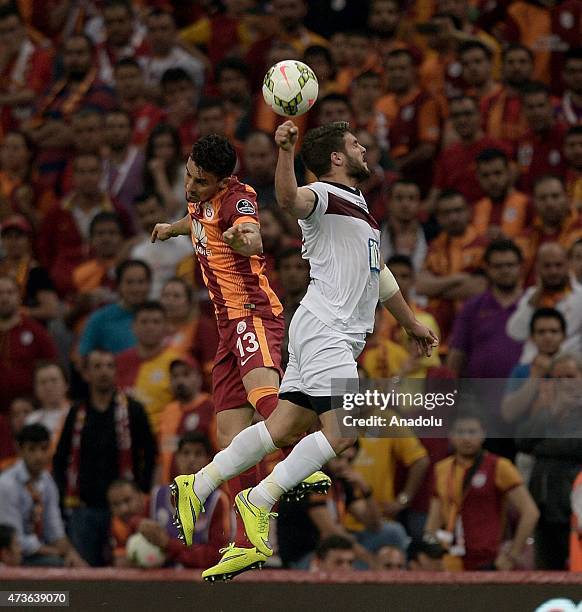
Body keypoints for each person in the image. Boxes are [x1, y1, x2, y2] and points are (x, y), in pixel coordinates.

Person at [167, 120, 438, 580]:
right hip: (327, 331)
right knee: (343, 432)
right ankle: (259, 499)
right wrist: (286, 151)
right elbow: (291, 199)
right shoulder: (325, 195)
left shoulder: (359, 209)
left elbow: (380, 273)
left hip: (323, 330)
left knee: (283, 427)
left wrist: (410, 322)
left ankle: (200, 482)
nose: (363, 148)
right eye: (355, 144)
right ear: (337, 158)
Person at [151, 134, 326, 505]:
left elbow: (252, 236)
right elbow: (197, 220)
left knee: (263, 394)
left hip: (251, 313)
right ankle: (247, 534)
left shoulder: (237, 199)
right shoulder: (199, 198)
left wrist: (243, 239)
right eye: (188, 176)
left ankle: (305, 464)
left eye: (200, 181)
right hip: (227, 327)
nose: (190, 186)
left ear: (223, 181)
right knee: (229, 438)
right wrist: (172, 228)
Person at [53, 349, 156, 566]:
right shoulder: (76, 412)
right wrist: (65, 495)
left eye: (109, 366)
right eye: (97, 367)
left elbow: (150, 452)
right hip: (85, 508)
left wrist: (142, 491)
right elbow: (61, 458)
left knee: (126, 571)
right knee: (85, 574)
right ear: (87, 373)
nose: (104, 372)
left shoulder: (133, 410)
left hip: (124, 509)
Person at [425, 409, 539, 570]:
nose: (466, 438)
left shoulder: (499, 466)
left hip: (488, 560)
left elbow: (531, 512)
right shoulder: (441, 469)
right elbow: (433, 520)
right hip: (450, 559)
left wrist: (512, 555)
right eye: (460, 432)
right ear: (450, 435)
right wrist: (432, 550)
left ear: (483, 434)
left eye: (472, 432)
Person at [516, 353, 582, 569]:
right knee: (546, 576)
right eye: (557, 378)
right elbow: (522, 440)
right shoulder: (546, 411)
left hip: (576, 510)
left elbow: (575, 447)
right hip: (544, 508)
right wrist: (549, 411)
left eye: (570, 377)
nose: (564, 383)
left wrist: (541, 448)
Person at [143, 432, 235, 569]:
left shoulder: (218, 501)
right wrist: (140, 524)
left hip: (200, 583)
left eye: (198, 454)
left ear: (208, 460)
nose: (191, 459)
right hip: (159, 581)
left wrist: (168, 545)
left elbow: (216, 556)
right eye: (185, 453)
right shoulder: (157, 496)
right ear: (177, 458)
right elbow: (135, 525)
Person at [0, 424, 86, 567]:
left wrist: (72, 555)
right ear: (20, 450)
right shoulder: (6, 485)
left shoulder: (47, 482)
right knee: (58, 564)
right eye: (32, 450)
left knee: (75, 562)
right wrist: (55, 552)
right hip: (9, 554)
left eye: (44, 449)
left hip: (37, 551)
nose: (39, 456)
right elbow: (11, 540)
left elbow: (55, 530)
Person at [447, 239, 524, 378]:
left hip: (525, 393)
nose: (505, 270)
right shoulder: (472, 306)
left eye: (510, 265)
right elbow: (457, 353)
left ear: (520, 266)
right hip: (479, 394)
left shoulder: (531, 305)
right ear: (487, 268)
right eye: (498, 266)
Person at [506, 242, 582, 363]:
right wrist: (535, 299)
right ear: (537, 267)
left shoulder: (580, 295)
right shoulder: (531, 295)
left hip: (568, 371)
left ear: (568, 264)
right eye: (547, 266)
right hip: (532, 368)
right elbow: (516, 333)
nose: (553, 271)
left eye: (558, 265)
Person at [115, 301, 183, 432]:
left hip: (163, 439)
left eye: (156, 322)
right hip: (123, 438)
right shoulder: (118, 362)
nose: (150, 327)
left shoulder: (179, 362)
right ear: (133, 326)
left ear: (166, 327)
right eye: (144, 322)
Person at [0, 275, 57, 412]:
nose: (5, 298)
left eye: (10, 292)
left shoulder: (36, 331)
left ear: (19, 297)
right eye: (0, 293)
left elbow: (52, 366)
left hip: (31, 409)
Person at [502, 308, 567, 425]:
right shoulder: (520, 371)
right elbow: (508, 414)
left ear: (564, 336)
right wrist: (535, 377)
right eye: (541, 332)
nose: (548, 336)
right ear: (532, 337)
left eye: (554, 331)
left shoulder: (577, 369)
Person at [157, 357, 215, 485]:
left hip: (204, 490)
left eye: (186, 374)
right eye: (175, 376)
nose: (180, 380)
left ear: (199, 378)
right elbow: (161, 458)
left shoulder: (211, 407)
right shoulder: (167, 412)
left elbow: (221, 451)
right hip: (171, 491)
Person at [78, 259, 151, 357]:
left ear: (149, 285)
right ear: (119, 285)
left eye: (141, 282)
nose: (136, 288)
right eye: (129, 282)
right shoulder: (100, 319)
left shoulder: (161, 316)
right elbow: (84, 356)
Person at [129, 193, 192, 299]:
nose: (148, 219)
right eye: (142, 215)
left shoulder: (185, 244)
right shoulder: (137, 250)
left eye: (152, 212)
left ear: (164, 210)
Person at [472, 148, 531, 240]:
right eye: (485, 175)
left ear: (508, 172)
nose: (492, 181)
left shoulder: (526, 203)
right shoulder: (476, 209)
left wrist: (507, 241)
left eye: (497, 173)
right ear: (478, 177)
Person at [26, 361, 71, 441]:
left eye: (54, 380)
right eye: (42, 382)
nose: (48, 387)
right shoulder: (31, 420)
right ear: (35, 389)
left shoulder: (80, 414)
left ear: (66, 385)